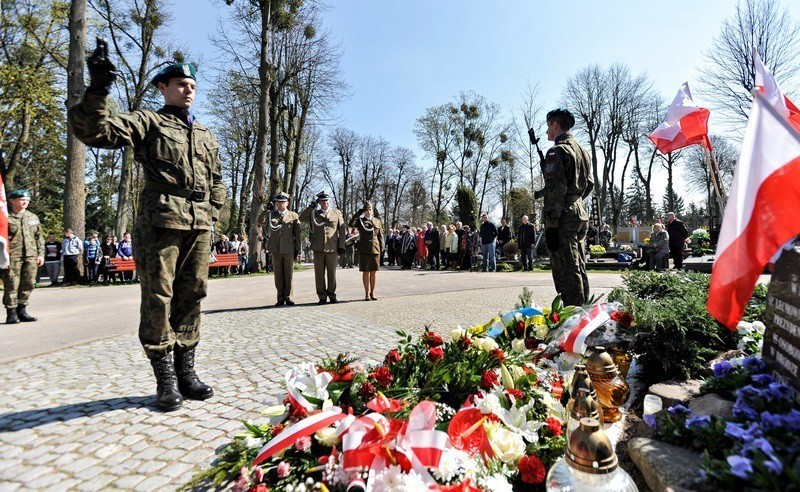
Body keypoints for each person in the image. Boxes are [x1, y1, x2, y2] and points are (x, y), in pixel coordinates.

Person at [70, 41, 224, 411]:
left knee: (193, 294)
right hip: (161, 222)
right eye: (181, 84)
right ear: (163, 88)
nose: (188, 90)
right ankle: (165, 379)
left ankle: (186, 371)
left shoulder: (205, 133)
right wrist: (98, 89)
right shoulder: (149, 122)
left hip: (199, 224)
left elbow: (217, 180)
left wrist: (213, 216)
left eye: (192, 86)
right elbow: (96, 132)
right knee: (158, 297)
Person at [538, 108, 594, 306]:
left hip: (563, 215)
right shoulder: (583, 151)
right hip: (579, 211)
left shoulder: (558, 151)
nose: (547, 131)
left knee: (566, 268)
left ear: (555, 125)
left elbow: (555, 190)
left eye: (548, 126)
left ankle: (573, 313)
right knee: (578, 263)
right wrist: (575, 200)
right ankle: (583, 307)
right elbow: (589, 184)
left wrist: (552, 224)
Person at [1, 190, 44, 324]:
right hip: (12, 256)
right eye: (22, 199)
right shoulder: (5, 217)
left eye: (27, 200)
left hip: (31, 256)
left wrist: (41, 254)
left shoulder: (32, 217)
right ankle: (11, 313)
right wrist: (2, 258)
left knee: (29, 283)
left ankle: (22, 310)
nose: (25, 202)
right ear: (12, 200)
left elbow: (39, 237)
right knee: (12, 284)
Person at [299, 191, 346, 304]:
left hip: (332, 247)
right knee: (319, 274)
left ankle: (332, 295)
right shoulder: (314, 213)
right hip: (318, 247)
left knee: (332, 273)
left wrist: (341, 245)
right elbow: (301, 218)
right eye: (322, 200)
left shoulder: (336, 213)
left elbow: (342, 230)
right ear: (319, 202)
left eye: (326, 200)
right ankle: (322, 297)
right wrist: (310, 207)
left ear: (330, 201)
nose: (325, 202)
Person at [263, 192, 301, 306]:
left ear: (287, 203)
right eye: (278, 202)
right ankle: (280, 298)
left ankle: (289, 297)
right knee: (278, 275)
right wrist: (266, 211)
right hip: (276, 249)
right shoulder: (271, 215)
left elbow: (297, 234)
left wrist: (298, 248)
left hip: (289, 248)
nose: (280, 204)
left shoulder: (293, 216)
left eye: (283, 202)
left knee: (289, 275)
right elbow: (260, 222)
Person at [349, 202, 384, 300]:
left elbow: (380, 235)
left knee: (374, 272)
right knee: (366, 271)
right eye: (366, 210)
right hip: (364, 249)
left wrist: (382, 247)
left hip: (375, 248)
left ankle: (373, 292)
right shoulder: (360, 220)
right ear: (363, 211)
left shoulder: (377, 220)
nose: (368, 211)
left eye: (370, 209)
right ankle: (366, 293)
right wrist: (358, 214)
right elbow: (351, 224)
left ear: (372, 210)